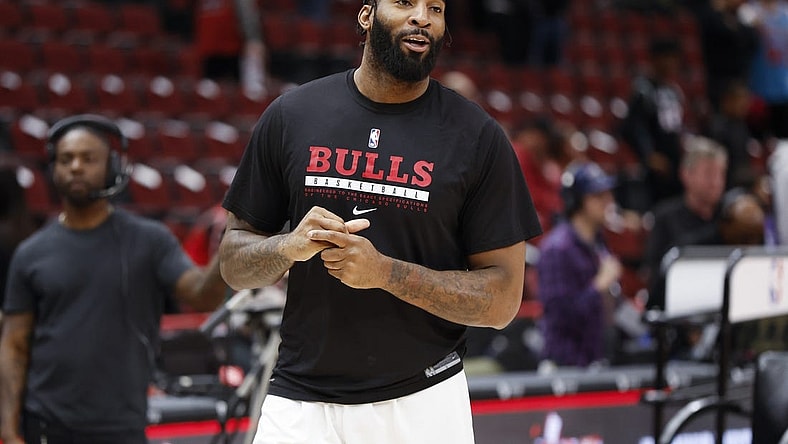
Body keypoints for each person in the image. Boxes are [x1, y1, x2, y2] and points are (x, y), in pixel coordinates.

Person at [218, 1, 543, 442]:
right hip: (301, 399)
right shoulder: (292, 115)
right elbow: (233, 263)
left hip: (423, 400)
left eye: (435, 8)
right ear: (366, 15)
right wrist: (288, 246)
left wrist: (385, 273)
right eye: (405, 2)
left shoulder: (477, 138)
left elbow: (503, 301)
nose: (422, 17)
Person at [0, 115, 228, 444]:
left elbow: (202, 295)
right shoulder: (31, 253)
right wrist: (8, 431)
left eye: (88, 158)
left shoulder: (151, 240)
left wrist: (227, 250)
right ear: (53, 168)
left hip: (121, 426)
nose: (76, 167)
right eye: (66, 159)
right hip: (46, 425)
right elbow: (13, 345)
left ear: (114, 166)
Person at [536, 161, 623, 368]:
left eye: (608, 194)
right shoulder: (557, 249)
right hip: (566, 367)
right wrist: (599, 285)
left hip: (596, 360)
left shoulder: (599, 243)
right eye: (598, 196)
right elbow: (560, 317)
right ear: (576, 201)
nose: (609, 202)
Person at [643, 135, 729, 310]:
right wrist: (717, 232)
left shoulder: (730, 216)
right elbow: (657, 278)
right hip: (680, 311)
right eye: (709, 174)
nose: (716, 182)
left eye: (721, 174)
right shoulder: (665, 217)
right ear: (686, 174)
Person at [619, 37, 686, 211]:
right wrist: (648, 155)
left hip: (673, 162)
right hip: (653, 167)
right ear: (655, 59)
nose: (672, 63)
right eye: (667, 57)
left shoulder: (674, 91)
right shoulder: (643, 89)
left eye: (674, 58)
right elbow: (631, 127)